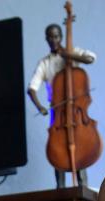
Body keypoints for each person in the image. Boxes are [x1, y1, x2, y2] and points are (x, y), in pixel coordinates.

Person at [27, 23, 96, 188]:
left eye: (56, 36)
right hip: (57, 111)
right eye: (50, 37)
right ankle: (60, 187)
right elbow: (31, 88)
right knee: (57, 147)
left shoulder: (73, 52)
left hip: (77, 111)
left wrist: (69, 55)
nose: (53, 40)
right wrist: (40, 107)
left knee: (80, 144)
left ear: (61, 37)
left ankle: (83, 187)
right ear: (46, 39)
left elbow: (90, 58)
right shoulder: (44, 63)